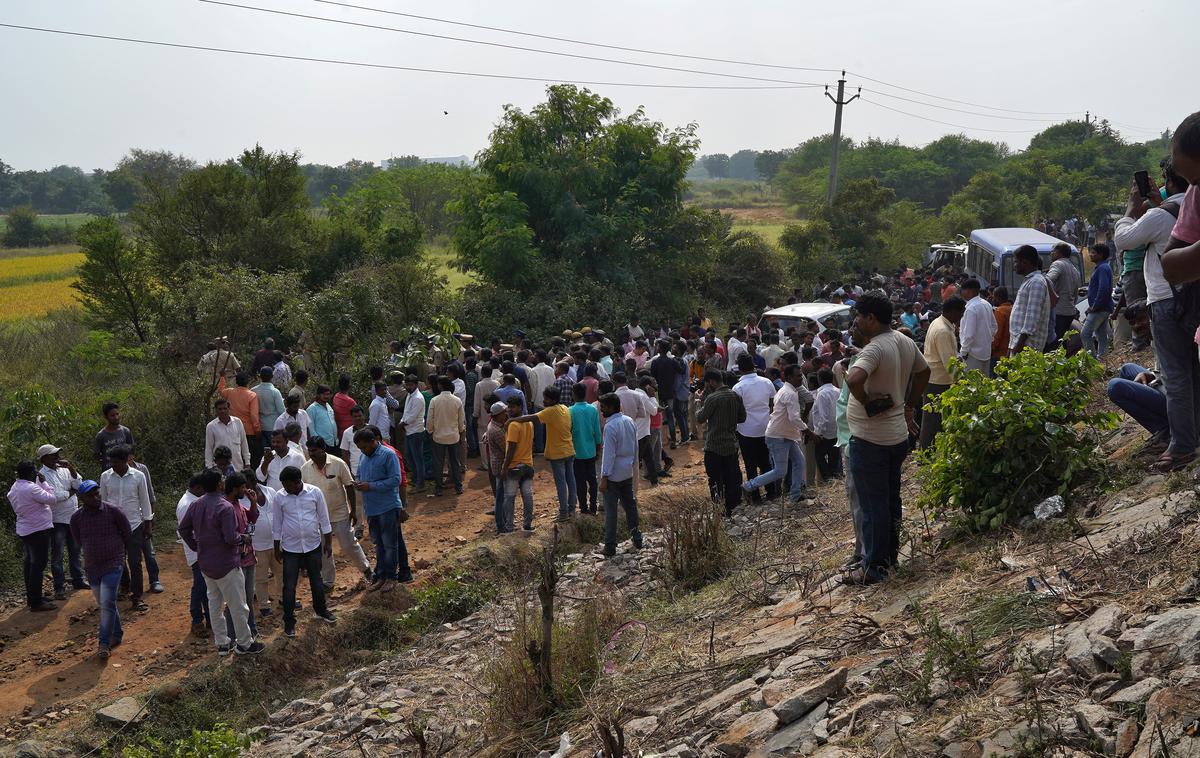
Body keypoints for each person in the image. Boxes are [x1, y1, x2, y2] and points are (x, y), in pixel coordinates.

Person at [843, 292, 930, 585]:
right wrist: (909, 405)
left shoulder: (874, 349)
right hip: (895, 437)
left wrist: (866, 400)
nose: (855, 322)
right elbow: (924, 371)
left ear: (870, 318)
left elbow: (853, 379)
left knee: (872, 504)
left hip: (871, 440)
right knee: (890, 499)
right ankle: (889, 557)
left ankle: (875, 567)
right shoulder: (904, 341)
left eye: (858, 317)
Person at [177, 470, 265, 655]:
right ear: (219, 485)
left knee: (214, 603)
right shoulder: (224, 507)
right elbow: (231, 538)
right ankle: (244, 643)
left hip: (206, 563)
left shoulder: (196, 505)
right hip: (226, 563)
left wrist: (196, 546)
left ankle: (222, 643)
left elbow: (183, 529)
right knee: (238, 605)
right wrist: (244, 538)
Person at [272, 466, 336, 637]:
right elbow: (277, 524)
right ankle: (289, 621)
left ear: (298, 481)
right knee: (289, 586)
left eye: (289, 485)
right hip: (291, 549)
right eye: (284, 485)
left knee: (316, 580)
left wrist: (328, 543)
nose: (286, 489)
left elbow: (324, 519)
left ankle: (321, 611)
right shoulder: (279, 497)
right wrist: (276, 547)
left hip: (313, 545)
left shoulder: (315, 493)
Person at [303, 437, 372, 591]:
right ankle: (328, 582)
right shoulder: (305, 469)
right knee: (324, 550)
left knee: (349, 545)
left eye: (314, 450)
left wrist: (353, 511)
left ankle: (366, 569)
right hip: (318, 518)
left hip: (340, 513)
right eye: (310, 450)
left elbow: (349, 486)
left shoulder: (338, 463)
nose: (311, 453)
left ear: (323, 449)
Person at [741, 364, 813, 504]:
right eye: (798, 376)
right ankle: (749, 486)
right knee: (780, 471)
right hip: (778, 436)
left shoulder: (787, 390)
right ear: (789, 377)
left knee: (799, 461)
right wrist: (810, 432)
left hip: (785, 434)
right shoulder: (789, 393)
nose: (800, 378)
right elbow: (794, 418)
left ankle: (796, 495)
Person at [353, 428, 413, 590]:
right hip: (371, 509)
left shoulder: (388, 455)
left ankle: (392, 577)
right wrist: (358, 483)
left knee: (390, 544)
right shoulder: (364, 457)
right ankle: (381, 576)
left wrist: (370, 486)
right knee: (378, 544)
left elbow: (395, 480)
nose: (363, 451)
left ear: (374, 442)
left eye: (365, 447)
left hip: (387, 507)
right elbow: (359, 474)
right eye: (360, 448)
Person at [509, 385, 577, 519]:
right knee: (571, 480)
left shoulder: (550, 411)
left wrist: (512, 420)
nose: (544, 401)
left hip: (558, 454)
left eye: (546, 399)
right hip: (569, 450)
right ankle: (571, 509)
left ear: (552, 400)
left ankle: (563, 513)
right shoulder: (564, 408)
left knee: (561, 483)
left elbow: (531, 418)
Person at [99, 445, 152, 611]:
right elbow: (104, 502)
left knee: (135, 561)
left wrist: (148, 524)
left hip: (134, 524)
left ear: (125, 460)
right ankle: (124, 586)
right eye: (111, 462)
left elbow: (144, 500)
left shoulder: (138, 476)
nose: (112, 466)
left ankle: (136, 597)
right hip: (114, 526)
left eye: (115, 463)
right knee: (117, 561)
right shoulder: (105, 477)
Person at [37, 444, 86, 599]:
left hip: (73, 516)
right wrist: (71, 492)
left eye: (57, 454)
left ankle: (78, 580)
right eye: (53, 455)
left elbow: (80, 485)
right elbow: (54, 498)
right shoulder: (41, 476)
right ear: (44, 458)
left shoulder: (65, 469)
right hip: (57, 519)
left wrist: (72, 469)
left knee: (75, 551)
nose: (57, 458)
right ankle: (59, 587)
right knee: (57, 554)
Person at [8, 460, 57, 612]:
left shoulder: (15, 487)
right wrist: (44, 483)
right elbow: (52, 499)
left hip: (26, 529)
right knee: (38, 565)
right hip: (38, 530)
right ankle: (36, 602)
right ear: (31, 473)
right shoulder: (32, 488)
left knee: (30, 563)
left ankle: (32, 597)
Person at [696, 369, 746, 517]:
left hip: (714, 446)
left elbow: (700, 418)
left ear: (711, 381)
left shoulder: (713, 398)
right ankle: (733, 509)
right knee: (732, 479)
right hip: (730, 445)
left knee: (715, 481)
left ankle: (720, 511)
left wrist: (700, 402)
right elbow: (742, 418)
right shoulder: (735, 395)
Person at [598, 393, 642, 557]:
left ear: (610, 407)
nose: (601, 411)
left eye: (603, 407)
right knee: (630, 506)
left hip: (613, 475)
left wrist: (604, 478)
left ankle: (610, 546)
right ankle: (637, 538)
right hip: (627, 471)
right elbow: (635, 447)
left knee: (611, 512)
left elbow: (608, 455)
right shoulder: (629, 421)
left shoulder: (610, 427)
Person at [920, 296, 966, 450]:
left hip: (934, 378)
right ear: (953, 312)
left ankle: (929, 452)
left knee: (935, 419)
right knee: (933, 420)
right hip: (939, 381)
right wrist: (960, 382)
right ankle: (926, 454)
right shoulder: (943, 331)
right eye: (961, 313)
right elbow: (950, 363)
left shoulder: (939, 323)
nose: (962, 317)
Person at [732, 354, 778, 502]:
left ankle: (755, 495)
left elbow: (737, 411)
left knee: (750, 464)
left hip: (746, 430)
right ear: (754, 365)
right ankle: (771, 491)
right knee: (766, 462)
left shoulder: (738, 387)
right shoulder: (766, 382)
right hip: (765, 427)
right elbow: (772, 404)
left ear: (739, 368)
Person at [177, 475, 213, 636]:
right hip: (197, 552)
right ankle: (197, 620)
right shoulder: (188, 504)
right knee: (200, 586)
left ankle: (210, 619)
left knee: (205, 586)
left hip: (201, 550)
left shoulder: (193, 501)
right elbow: (187, 531)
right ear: (198, 488)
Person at [1107, 360, 1169, 453]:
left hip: (1178, 401)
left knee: (1115, 386)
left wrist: (1156, 382)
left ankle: (1167, 432)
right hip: (1167, 382)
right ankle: (1162, 425)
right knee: (1127, 369)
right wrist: (1152, 375)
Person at [500, 395, 536, 533]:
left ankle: (509, 526)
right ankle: (527, 524)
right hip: (528, 465)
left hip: (514, 466)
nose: (509, 410)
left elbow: (511, 449)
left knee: (509, 497)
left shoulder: (513, 425)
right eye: (508, 407)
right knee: (527, 495)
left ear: (520, 407)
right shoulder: (529, 423)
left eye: (512, 407)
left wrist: (504, 467)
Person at [1008, 245, 1052, 356]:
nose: (1014, 266)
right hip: (1019, 345)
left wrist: (1018, 346)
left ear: (1025, 262)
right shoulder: (1029, 281)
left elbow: (1032, 318)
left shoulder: (1036, 282)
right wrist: (1011, 347)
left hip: (1027, 348)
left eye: (1016, 262)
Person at [427, 376, 466, 497]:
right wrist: (460, 431)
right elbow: (461, 421)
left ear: (440, 386)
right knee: (455, 461)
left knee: (438, 462)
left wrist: (430, 431)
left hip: (438, 437)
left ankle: (439, 488)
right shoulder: (457, 400)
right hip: (453, 436)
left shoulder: (434, 400)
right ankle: (458, 486)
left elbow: (429, 420)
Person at [569, 382, 603, 515]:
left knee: (580, 481)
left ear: (574, 394)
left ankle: (583, 507)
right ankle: (593, 506)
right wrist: (598, 448)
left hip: (576, 452)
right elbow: (597, 432)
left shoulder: (570, 410)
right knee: (592, 480)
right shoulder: (592, 409)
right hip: (591, 451)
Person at [649, 340, 685, 448]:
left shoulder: (655, 362)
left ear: (660, 349)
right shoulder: (672, 361)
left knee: (658, 416)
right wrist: (680, 360)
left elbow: (652, 376)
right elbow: (682, 370)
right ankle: (673, 440)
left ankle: (660, 440)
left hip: (659, 393)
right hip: (670, 392)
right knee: (670, 416)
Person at [1081, 243, 1114, 359]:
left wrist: (1094, 306)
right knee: (1101, 335)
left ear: (1101, 255)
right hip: (1103, 307)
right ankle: (1103, 359)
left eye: (1093, 253)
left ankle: (1092, 361)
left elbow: (1104, 289)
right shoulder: (1103, 267)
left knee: (1085, 333)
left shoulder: (1102, 268)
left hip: (1100, 308)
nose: (1090, 255)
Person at [957, 279, 996, 376]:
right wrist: (986, 340)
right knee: (984, 384)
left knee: (971, 385)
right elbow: (994, 327)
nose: (961, 293)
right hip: (986, 352)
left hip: (972, 354)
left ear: (969, 291)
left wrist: (963, 352)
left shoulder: (971, 308)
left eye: (963, 290)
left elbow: (969, 334)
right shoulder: (986, 304)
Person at [1045, 242, 1082, 345]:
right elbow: (1075, 294)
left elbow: (1048, 279)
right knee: (1063, 341)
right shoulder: (1074, 269)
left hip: (1058, 311)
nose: (1051, 254)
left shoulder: (1058, 264)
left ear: (1058, 253)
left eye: (1053, 252)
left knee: (1054, 342)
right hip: (1069, 311)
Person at [222, 372, 262, 464]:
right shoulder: (252, 395)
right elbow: (254, 415)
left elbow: (221, 390)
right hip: (248, 431)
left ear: (236, 382)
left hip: (233, 429)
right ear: (248, 382)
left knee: (235, 456)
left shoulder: (229, 392)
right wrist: (257, 430)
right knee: (249, 457)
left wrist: (222, 378)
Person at [808, 369, 841, 480]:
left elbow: (824, 417)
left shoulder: (822, 394)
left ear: (820, 379)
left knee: (819, 456)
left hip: (824, 432)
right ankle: (832, 477)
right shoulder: (838, 391)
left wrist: (818, 433)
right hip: (836, 430)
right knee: (833, 457)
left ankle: (827, 478)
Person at [398, 375, 428, 494]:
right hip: (409, 430)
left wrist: (402, 424)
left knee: (417, 458)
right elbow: (406, 412)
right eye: (407, 384)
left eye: (410, 385)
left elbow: (412, 416)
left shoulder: (418, 398)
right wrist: (402, 422)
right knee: (409, 456)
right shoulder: (410, 395)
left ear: (415, 384)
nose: (408, 387)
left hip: (416, 431)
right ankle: (416, 479)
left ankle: (421, 483)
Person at [483, 402, 510, 531]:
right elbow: (507, 449)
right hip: (500, 466)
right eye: (504, 412)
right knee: (502, 497)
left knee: (501, 496)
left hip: (496, 464)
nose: (506, 414)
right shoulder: (497, 431)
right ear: (497, 415)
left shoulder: (493, 425)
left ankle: (502, 522)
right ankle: (502, 525)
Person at [205, 398, 250, 470]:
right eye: (220, 409)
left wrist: (247, 463)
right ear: (216, 410)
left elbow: (244, 443)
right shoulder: (211, 426)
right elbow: (209, 449)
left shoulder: (237, 422)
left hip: (238, 467)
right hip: (219, 469)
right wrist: (209, 467)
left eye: (225, 408)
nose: (223, 411)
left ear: (229, 409)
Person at [253, 366, 286, 457]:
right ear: (272, 376)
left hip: (259, 427)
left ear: (260, 376)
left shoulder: (253, 390)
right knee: (275, 454)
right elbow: (281, 411)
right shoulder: (275, 392)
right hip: (273, 427)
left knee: (263, 455)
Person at [93, 401, 134, 470]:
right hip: (109, 473)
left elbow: (131, 450)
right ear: (106, 417)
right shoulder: (101, 436)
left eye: (117, 414)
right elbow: (97, 456)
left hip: (125, 472)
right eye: (112, 415)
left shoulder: (126, 431)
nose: (116, 417)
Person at [306, 385, 338, 451]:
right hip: (322, 445)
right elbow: (311, 429)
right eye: (323, 394)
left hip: (334, 443)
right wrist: (319, 443)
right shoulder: (311, 409)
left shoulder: (328, 406)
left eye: (328, 394)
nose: (326, 396)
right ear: (318, 395)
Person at [989, 287, 1012, 371]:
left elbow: (997, 334)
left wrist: (991, 349)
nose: (992, 299)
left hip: (998, 354)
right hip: (1008, 352)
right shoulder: (1011, 309)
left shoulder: (999, 311)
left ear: (998, 297)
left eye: (993, 297)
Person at [332, 375, 357, 441]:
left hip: (339, 432)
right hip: (350, 434)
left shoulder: (336, 396)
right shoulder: (350, 401)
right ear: (349, 386)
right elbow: (358, 417)